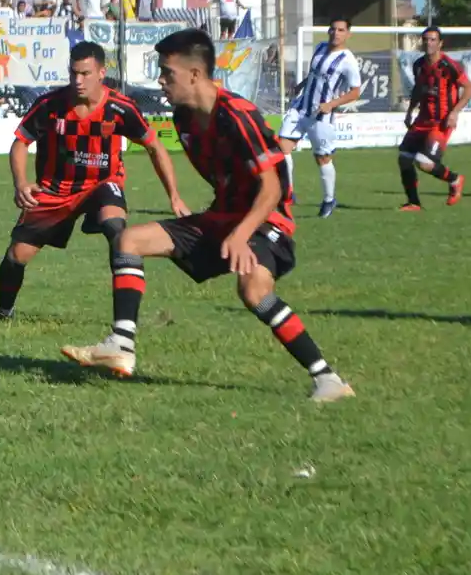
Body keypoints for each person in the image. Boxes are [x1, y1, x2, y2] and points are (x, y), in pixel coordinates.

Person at [60, 28, 354, 403]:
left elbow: (272, 189)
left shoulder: (238, 115)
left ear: (195, 74)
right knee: (128, 240)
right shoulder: (183, 118)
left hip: (266, 222)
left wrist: (242, 233)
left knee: (254, 291)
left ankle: (328, 379)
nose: (161, 81)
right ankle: (121, 344)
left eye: (167, 73)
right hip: (223, 218)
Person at [0, 41, 188, 320]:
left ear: (101, 73)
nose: (78, 81)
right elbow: (20, 143)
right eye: (74, 73)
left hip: (102, 184)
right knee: (17, 255)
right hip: (55, 189)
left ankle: (125, 318)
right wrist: (21, 182)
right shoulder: (50, 105)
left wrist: (174, 195)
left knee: (117, 231)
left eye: (85, 74)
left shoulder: (120, 108)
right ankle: (3, 311)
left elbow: (155, 147)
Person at [278, 18, 362, 218]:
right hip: (301, 107)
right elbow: (315, 74)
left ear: (348, 34)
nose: (336, 33)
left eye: (341, 30)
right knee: (281, 148)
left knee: (322, 158)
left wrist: (331, 104)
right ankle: (288, 193)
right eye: (333, 29)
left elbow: (355, 92)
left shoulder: (348, 60)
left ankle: (329, 200)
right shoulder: (320, 47)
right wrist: (301, 86)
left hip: (321, 114)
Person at [398, 26, 471, 211]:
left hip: (441, 122)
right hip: (422, 120)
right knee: (404, 159)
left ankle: (454, 180)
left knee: (424, 162)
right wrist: (410, 111)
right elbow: (418, 89)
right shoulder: (418, 65)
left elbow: (469, 88)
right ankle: (414, 203)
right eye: (425, 39)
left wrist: (455, 112)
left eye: (432, 40)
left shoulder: (449, 66)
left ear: (440, 43)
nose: (428, 43)